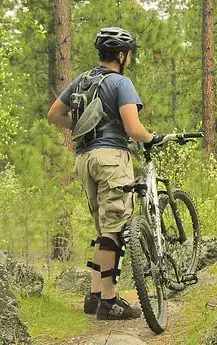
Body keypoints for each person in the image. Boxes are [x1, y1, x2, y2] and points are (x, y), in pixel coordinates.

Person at [48, 27, 158, 320]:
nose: (130, 59)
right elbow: (134, 129)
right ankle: (109, 302)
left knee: (103, 228)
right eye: (129, 54)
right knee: (115, 228)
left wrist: (83, 125)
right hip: (111, 157)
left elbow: (54, 115)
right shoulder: (121, 83)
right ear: (121, 55)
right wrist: (152, 138)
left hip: (84, 158)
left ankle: (95, 295)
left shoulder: (82, 80)